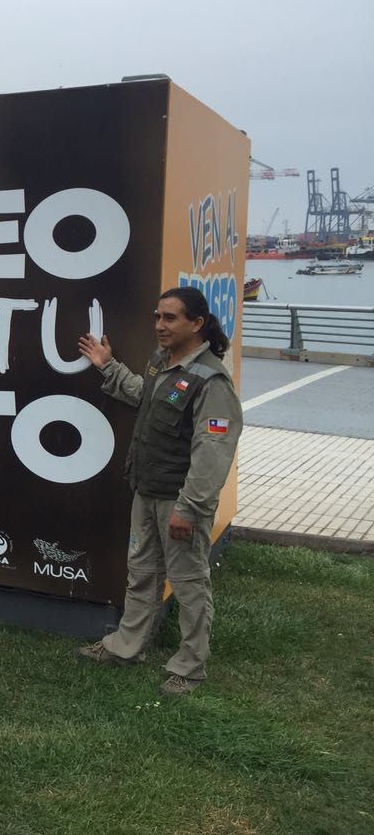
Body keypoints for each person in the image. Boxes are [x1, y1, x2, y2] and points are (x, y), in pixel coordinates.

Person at [74, 286, 243, 696]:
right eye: (157, 316)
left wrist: (189, 509)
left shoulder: (211, 381)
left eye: (170, 318)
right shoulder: (161, 362)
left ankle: (189, 667)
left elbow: (212, 453)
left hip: (179, 501)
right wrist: (108, 366)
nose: (160, 326)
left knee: (188, 582)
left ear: (197, 324)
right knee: (142, 573)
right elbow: (144, 398)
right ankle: (127, 647)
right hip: (146, 491)